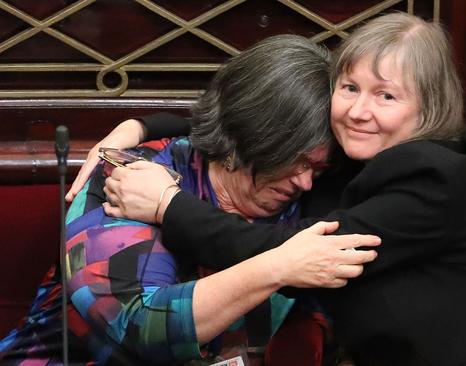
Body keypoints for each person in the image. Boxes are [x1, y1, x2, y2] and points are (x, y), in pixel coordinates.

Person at [67, 13, 466, 366]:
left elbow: (295, 255)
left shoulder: (427, 177)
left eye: (387, 96)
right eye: (350, 87)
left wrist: (169, 204)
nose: (360, 112)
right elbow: (243, 119)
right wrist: (140, 127)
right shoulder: (346, 155)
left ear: (427, 109)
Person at [0, 35, 380, 366]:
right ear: (246, 137)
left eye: (318, 167)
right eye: (293, 160)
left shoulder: (309, 194)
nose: (305, 181)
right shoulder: (134, 176)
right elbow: (140, 324)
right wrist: (277, 267)